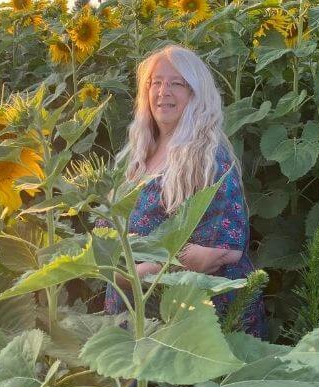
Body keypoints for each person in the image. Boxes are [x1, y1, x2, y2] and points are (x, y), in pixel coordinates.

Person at [99, 44, 267, 338]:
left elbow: (218, 251)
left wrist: (137, 274)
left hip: (197, 325)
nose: (163, 91)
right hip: (136, 319)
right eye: (156, 82)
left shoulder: (208, 160)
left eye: (177, 83)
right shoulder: (135, 158)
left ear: (196, 95)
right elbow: (106, 232)